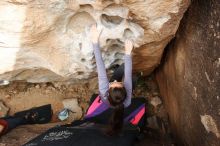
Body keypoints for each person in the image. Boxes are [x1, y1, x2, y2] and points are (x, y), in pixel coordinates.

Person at [90, 24, 134, 135]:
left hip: (110, 91)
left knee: (118, 73)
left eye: (113, 85)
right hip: (117, 91)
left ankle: (119, 72)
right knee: (129, 75)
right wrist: (128, 53)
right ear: (125, 89)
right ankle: (132, 76)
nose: (114, 82)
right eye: (118, 84)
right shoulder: (127, 99)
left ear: (108, 92)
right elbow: (127, 75)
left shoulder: (104, 89)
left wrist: (95, 41)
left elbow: (100, 65)